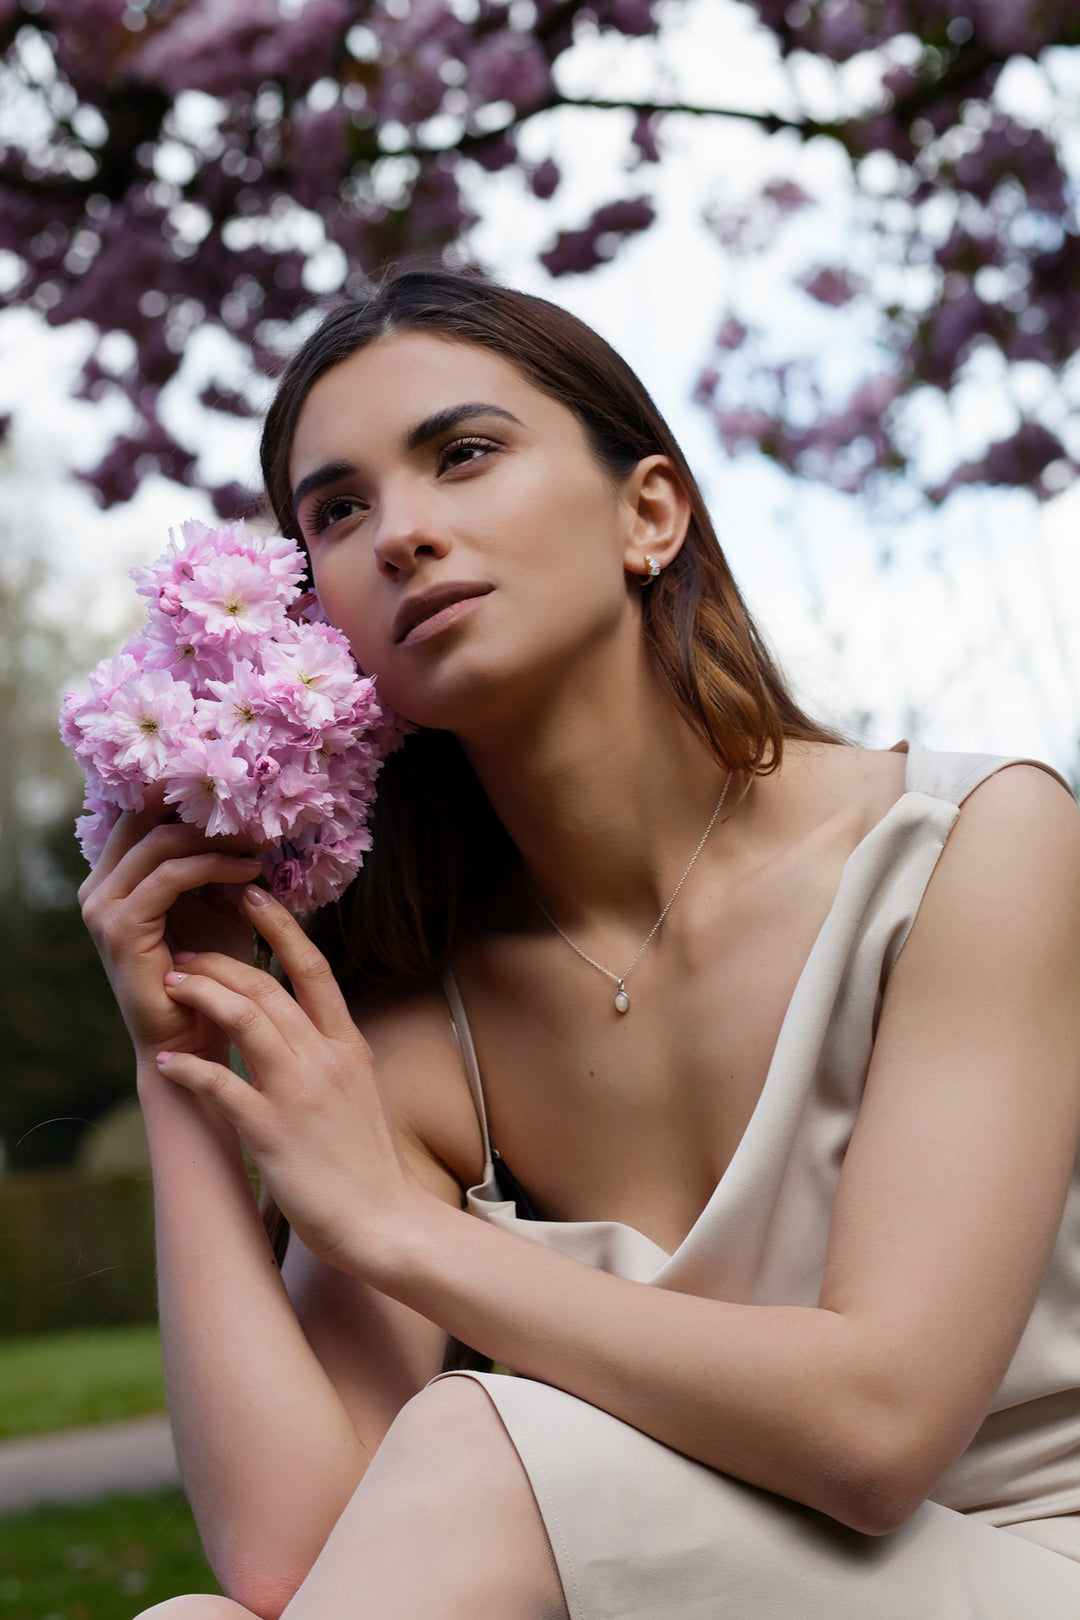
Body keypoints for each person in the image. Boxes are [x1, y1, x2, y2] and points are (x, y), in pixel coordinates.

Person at [79, 268, 1080, 1620]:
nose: (404, 535)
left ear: (649, 513)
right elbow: (288, 1557)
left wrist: (390, 1225)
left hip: (1014, 1570)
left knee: (472, 1442)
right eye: (339, 510)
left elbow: (878, 1433)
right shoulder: (421, 1031)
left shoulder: (974, 845)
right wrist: (184, 1057)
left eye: (465, 454)